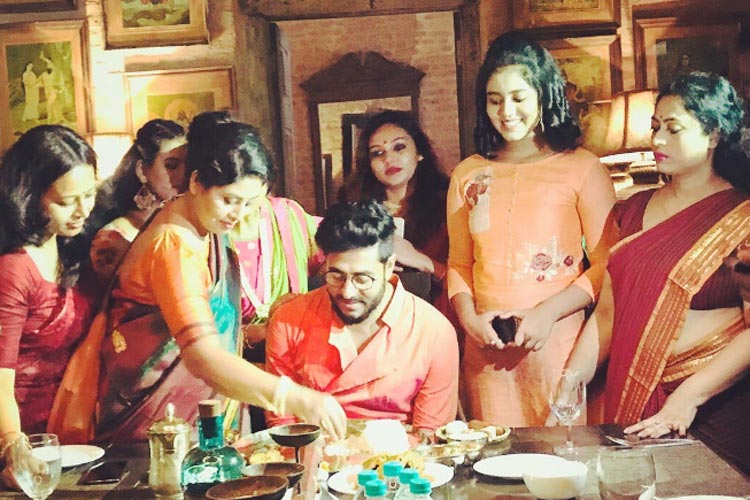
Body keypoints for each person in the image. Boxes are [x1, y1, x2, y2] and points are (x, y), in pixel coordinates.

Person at [94, 122, 346, 442]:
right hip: (157, 429)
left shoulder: (203, 225)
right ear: (196, 181)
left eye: (251, 203)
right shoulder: (174, 245)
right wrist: (295, 397)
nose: (238, 214)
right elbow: (202, 356)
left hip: (199, 416)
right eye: (228, 199)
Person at [563, 72, 750, 473]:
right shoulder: (632, 210)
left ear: (714, 135)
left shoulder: (742, 217)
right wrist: (571, 380)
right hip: (634, 398)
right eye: (655, 127)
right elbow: (609, 315)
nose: (658, 140)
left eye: (673, 128)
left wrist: (689, 397)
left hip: (711, 407)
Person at [446, 32, 616, 426]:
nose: (506, 111)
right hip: (485, 352)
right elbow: (459, 264)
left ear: (544, 96)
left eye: (518, 98)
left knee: (558, 459)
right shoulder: (467, 174)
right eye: (495, 100)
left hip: (558, 349)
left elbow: (607, 266)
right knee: (493, 460)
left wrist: (546, 313)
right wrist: (470, 320)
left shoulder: (582, 168)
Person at [265, 200, 459, 431]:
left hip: (402, 452)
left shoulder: (434, 332)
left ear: (388, 267)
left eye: (362, 279)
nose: (347, 292)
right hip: (312, 449)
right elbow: (283, 426)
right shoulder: (289, 319)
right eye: (336, 275)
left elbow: (431, 435)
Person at [0, 126, 97, 479]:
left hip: (68, 433)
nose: (82, 210)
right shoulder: (14, 269)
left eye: (90, 194)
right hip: (24, 443)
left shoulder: (72, 246)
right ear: (29, 195)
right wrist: (15, 448)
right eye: (67, 201)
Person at [344, 110, 449, 305]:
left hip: (436, 313)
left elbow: (471, 287)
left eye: (399, 147)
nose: (389, 159)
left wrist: (422, 261)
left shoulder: (450, 206)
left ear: (419, 153)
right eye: (378, 153)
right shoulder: (356, 213)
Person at [87, 119, 188, 285]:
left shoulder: (181, 224)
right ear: (142, 170)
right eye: (171, 165)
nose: (183, 174)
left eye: (188, 165)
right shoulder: (114, 238)